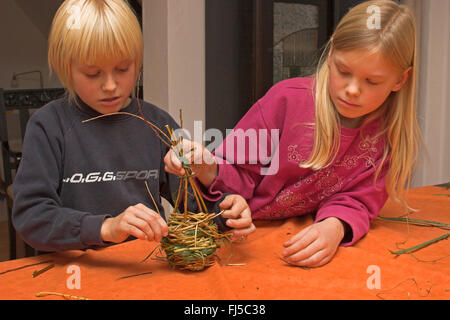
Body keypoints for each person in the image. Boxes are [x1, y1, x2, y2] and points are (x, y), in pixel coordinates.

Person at [165, 0, 421, 267]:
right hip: (235, 233)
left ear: (400, 80)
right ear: (331, 53)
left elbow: (358, 198)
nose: (353, 90)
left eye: (372, 81)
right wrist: (205, 167)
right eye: (344, 71)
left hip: (285, 242)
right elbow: (236, 173)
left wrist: (335, 227)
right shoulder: (286, 101)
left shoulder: (388, 132)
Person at [12, 0, 255, 254]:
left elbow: (194, 211)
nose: (110, 85)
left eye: (122, 69)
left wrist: (226, 214)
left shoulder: (158, 124)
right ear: (66, 68)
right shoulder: (48, 127)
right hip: (71, 276)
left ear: (137, 62)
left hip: (145, 273)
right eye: (93, 73)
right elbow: (32, 218)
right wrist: (106, 228)